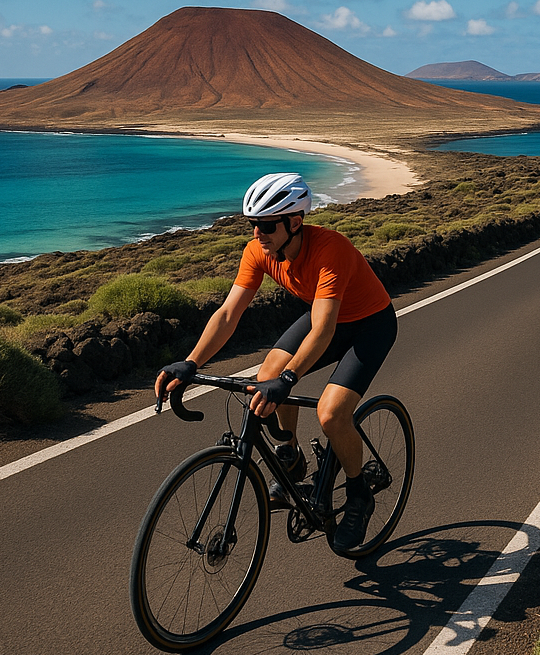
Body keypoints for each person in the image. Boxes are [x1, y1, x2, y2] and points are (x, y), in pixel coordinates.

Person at [157, 171, 398, 555]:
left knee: (332, 413)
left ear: (295, 222)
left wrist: (289, 378)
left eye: (266, 226)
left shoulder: (330, 249)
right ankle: (290, 453)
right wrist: (190, 361)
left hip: (370, 324)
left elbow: (321, 331)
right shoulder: (258, 252)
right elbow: (227, 314)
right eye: (253, 225)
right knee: (263, 377)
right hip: (326, 318)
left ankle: (358, 495)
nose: (257, 235)